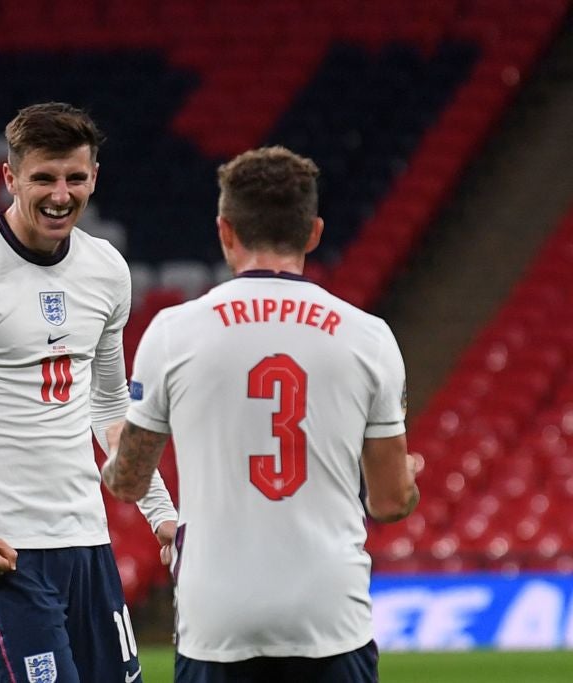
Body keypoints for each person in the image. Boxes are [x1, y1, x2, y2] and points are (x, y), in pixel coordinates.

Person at [103, 146, 420, 683]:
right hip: (330, 615)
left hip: (218, 619)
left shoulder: (174, 332)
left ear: (226, 231)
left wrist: (117, 451)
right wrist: (406, 479)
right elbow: (390, 503)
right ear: (313, 232)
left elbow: (129, 483)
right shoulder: (369, 337)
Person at [0, 102, 177, 683]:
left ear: (94, 176)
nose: (60, 194)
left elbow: (111, 406)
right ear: (11, 178)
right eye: (43, 177)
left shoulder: (106, 270)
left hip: (87, 540)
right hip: (3, 548)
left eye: (74, 177)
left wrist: (162, 514)